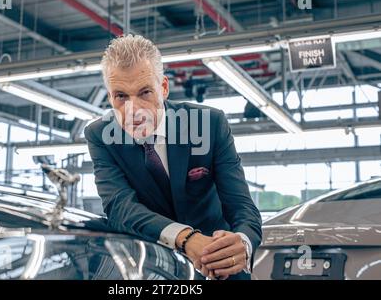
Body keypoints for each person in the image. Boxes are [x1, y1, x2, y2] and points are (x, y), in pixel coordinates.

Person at [85, 34, 262, 280]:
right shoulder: (100, 135)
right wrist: (185, 238)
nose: (133, 110)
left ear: (164, 88)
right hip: (153, 270)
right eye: (121, 96)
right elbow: (120, 208)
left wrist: (242, 242)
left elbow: (242, 206)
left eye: (145, 92)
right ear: (110, 97)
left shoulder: (209, 124)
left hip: (222, 267)